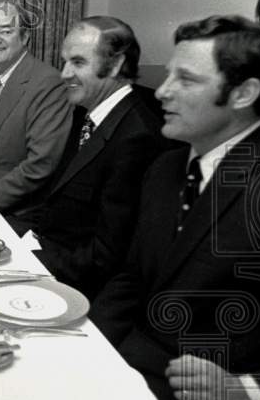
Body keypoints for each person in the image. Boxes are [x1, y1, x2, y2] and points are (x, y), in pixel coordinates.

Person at [91, 16, 260, 400]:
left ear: (243, 93)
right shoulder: (167, 167)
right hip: (133, 366)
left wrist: (256, 392)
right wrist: (83, 347)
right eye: (168, 75)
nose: (162, 91)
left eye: (185, 79)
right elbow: (132, 278)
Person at [31, 17, 164, 298]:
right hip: (51, 252)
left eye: (78, 63)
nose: (64, 73)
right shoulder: (87, 111)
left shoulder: (137, 137)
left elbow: (107, 257)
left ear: (115, 65)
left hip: (80, 288)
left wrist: (29, 258)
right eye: (64, 61)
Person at [0, 0, 72, 227]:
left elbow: (39, 166)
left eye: (6, 31)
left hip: (20, 212)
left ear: (25, 37)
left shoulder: (48, 83)